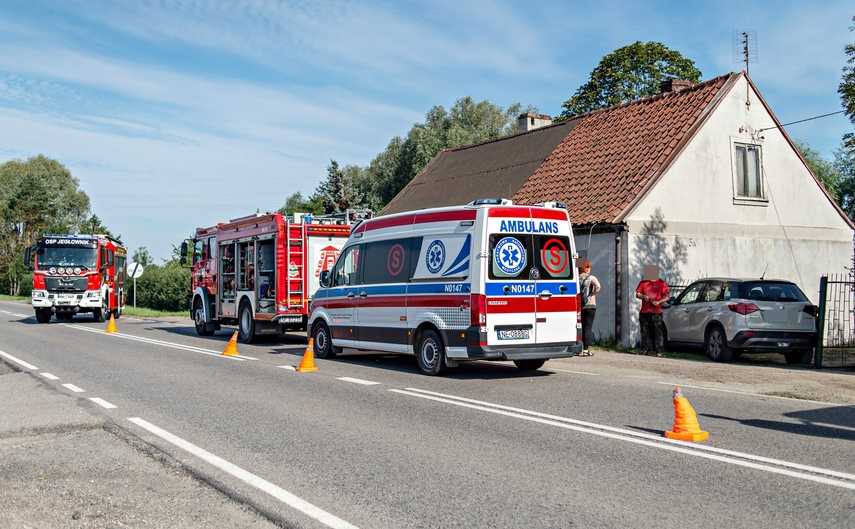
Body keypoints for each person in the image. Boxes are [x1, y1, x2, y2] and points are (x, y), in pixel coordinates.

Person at [635, 265, 670, 357]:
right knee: (644, 331)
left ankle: (659, 350)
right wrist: (644, 297)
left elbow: (667, 297)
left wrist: (658, 302)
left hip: (656, 311)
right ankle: (644, 349)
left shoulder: (662, 283)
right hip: (644, 311)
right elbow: (637, 294)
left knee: (658, 331)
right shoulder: (643, 283)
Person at [578, 261, 601, 357]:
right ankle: (586, 350)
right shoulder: (591, 278)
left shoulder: (577, 278)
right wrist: (593, 295)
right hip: (590, 306)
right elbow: (598, 286)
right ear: (587, 268)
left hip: (579, 306)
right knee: (587, 327)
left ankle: (577, 348)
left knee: (579, 326)